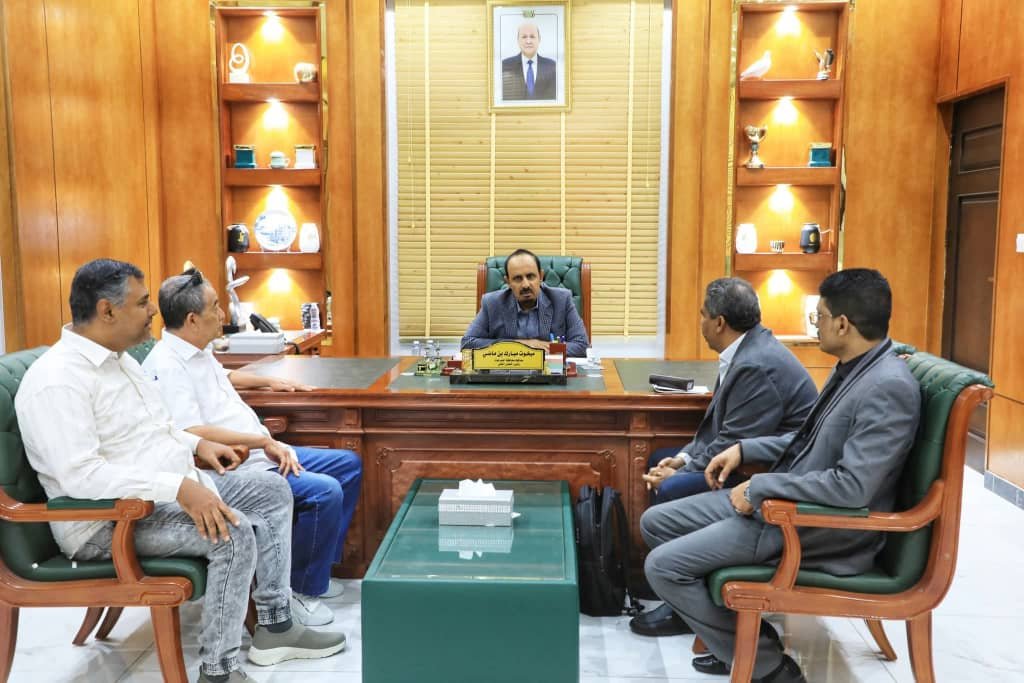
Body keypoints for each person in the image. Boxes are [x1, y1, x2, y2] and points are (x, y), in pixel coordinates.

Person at [14, 259, 346, 683]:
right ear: (106, 310)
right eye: (142, 302)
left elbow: (161, 428)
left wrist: (198, 445)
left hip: (163, 493)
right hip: (109, 522)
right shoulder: (58, 380)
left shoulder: (120, 362)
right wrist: (180, 488)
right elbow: (82, 476)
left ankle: (276, 626)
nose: (154, 310)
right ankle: (218, 671)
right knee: (232, 531)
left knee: (270, 489)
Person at [641, 269, 921, 683]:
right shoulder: (854, 368)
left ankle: (767, 664)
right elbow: (806, 439)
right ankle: (739, 637)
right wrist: (746, 450)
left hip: (807, 526)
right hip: (780, 504)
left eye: (819, 316)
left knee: (662, 567)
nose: (816, 325)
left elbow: (853, 487)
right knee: (656, 522)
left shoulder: (886, 387)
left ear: (843, 324)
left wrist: (761, 485)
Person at [142, 268, 363, 627]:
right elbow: (189, 430)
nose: (222, 315)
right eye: (215, 307)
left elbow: (223, 377)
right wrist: (262, 440)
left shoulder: (196, 350)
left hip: (262, 452)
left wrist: (269, 382)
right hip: (238, 466)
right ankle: (298, 590)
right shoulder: (166, 364)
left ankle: (316, 571)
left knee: (348, 464)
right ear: (192, 319)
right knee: (325, 491)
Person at [630, 277, 817, 638]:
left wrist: (678, 474)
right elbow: (719, 433)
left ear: (719, 322)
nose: (700, 322)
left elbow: (733, 441)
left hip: (767, 472)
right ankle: (680, 586)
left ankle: (687, 602)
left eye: (702, 314)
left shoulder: (755, 364)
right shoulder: (748, 348)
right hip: (749, 457)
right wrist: (681, 461)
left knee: (670, 489)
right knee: (662, 457)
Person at [461, 248, 588, 357]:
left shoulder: (562, 299)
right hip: (508, 372)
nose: (525, 285)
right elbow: (467, 343)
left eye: (531, 276)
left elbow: (581, 345)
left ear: (541, 276)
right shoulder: (491, 303)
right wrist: (521, 345)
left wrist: (540, 350)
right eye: (517, 278)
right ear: (508, 282)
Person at [501, 21, 556, 100]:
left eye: (532, 36)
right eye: (524, 37)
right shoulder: (505, 65)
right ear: (518, 40)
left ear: (539, 39)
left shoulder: (552, 66)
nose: (528, 41)